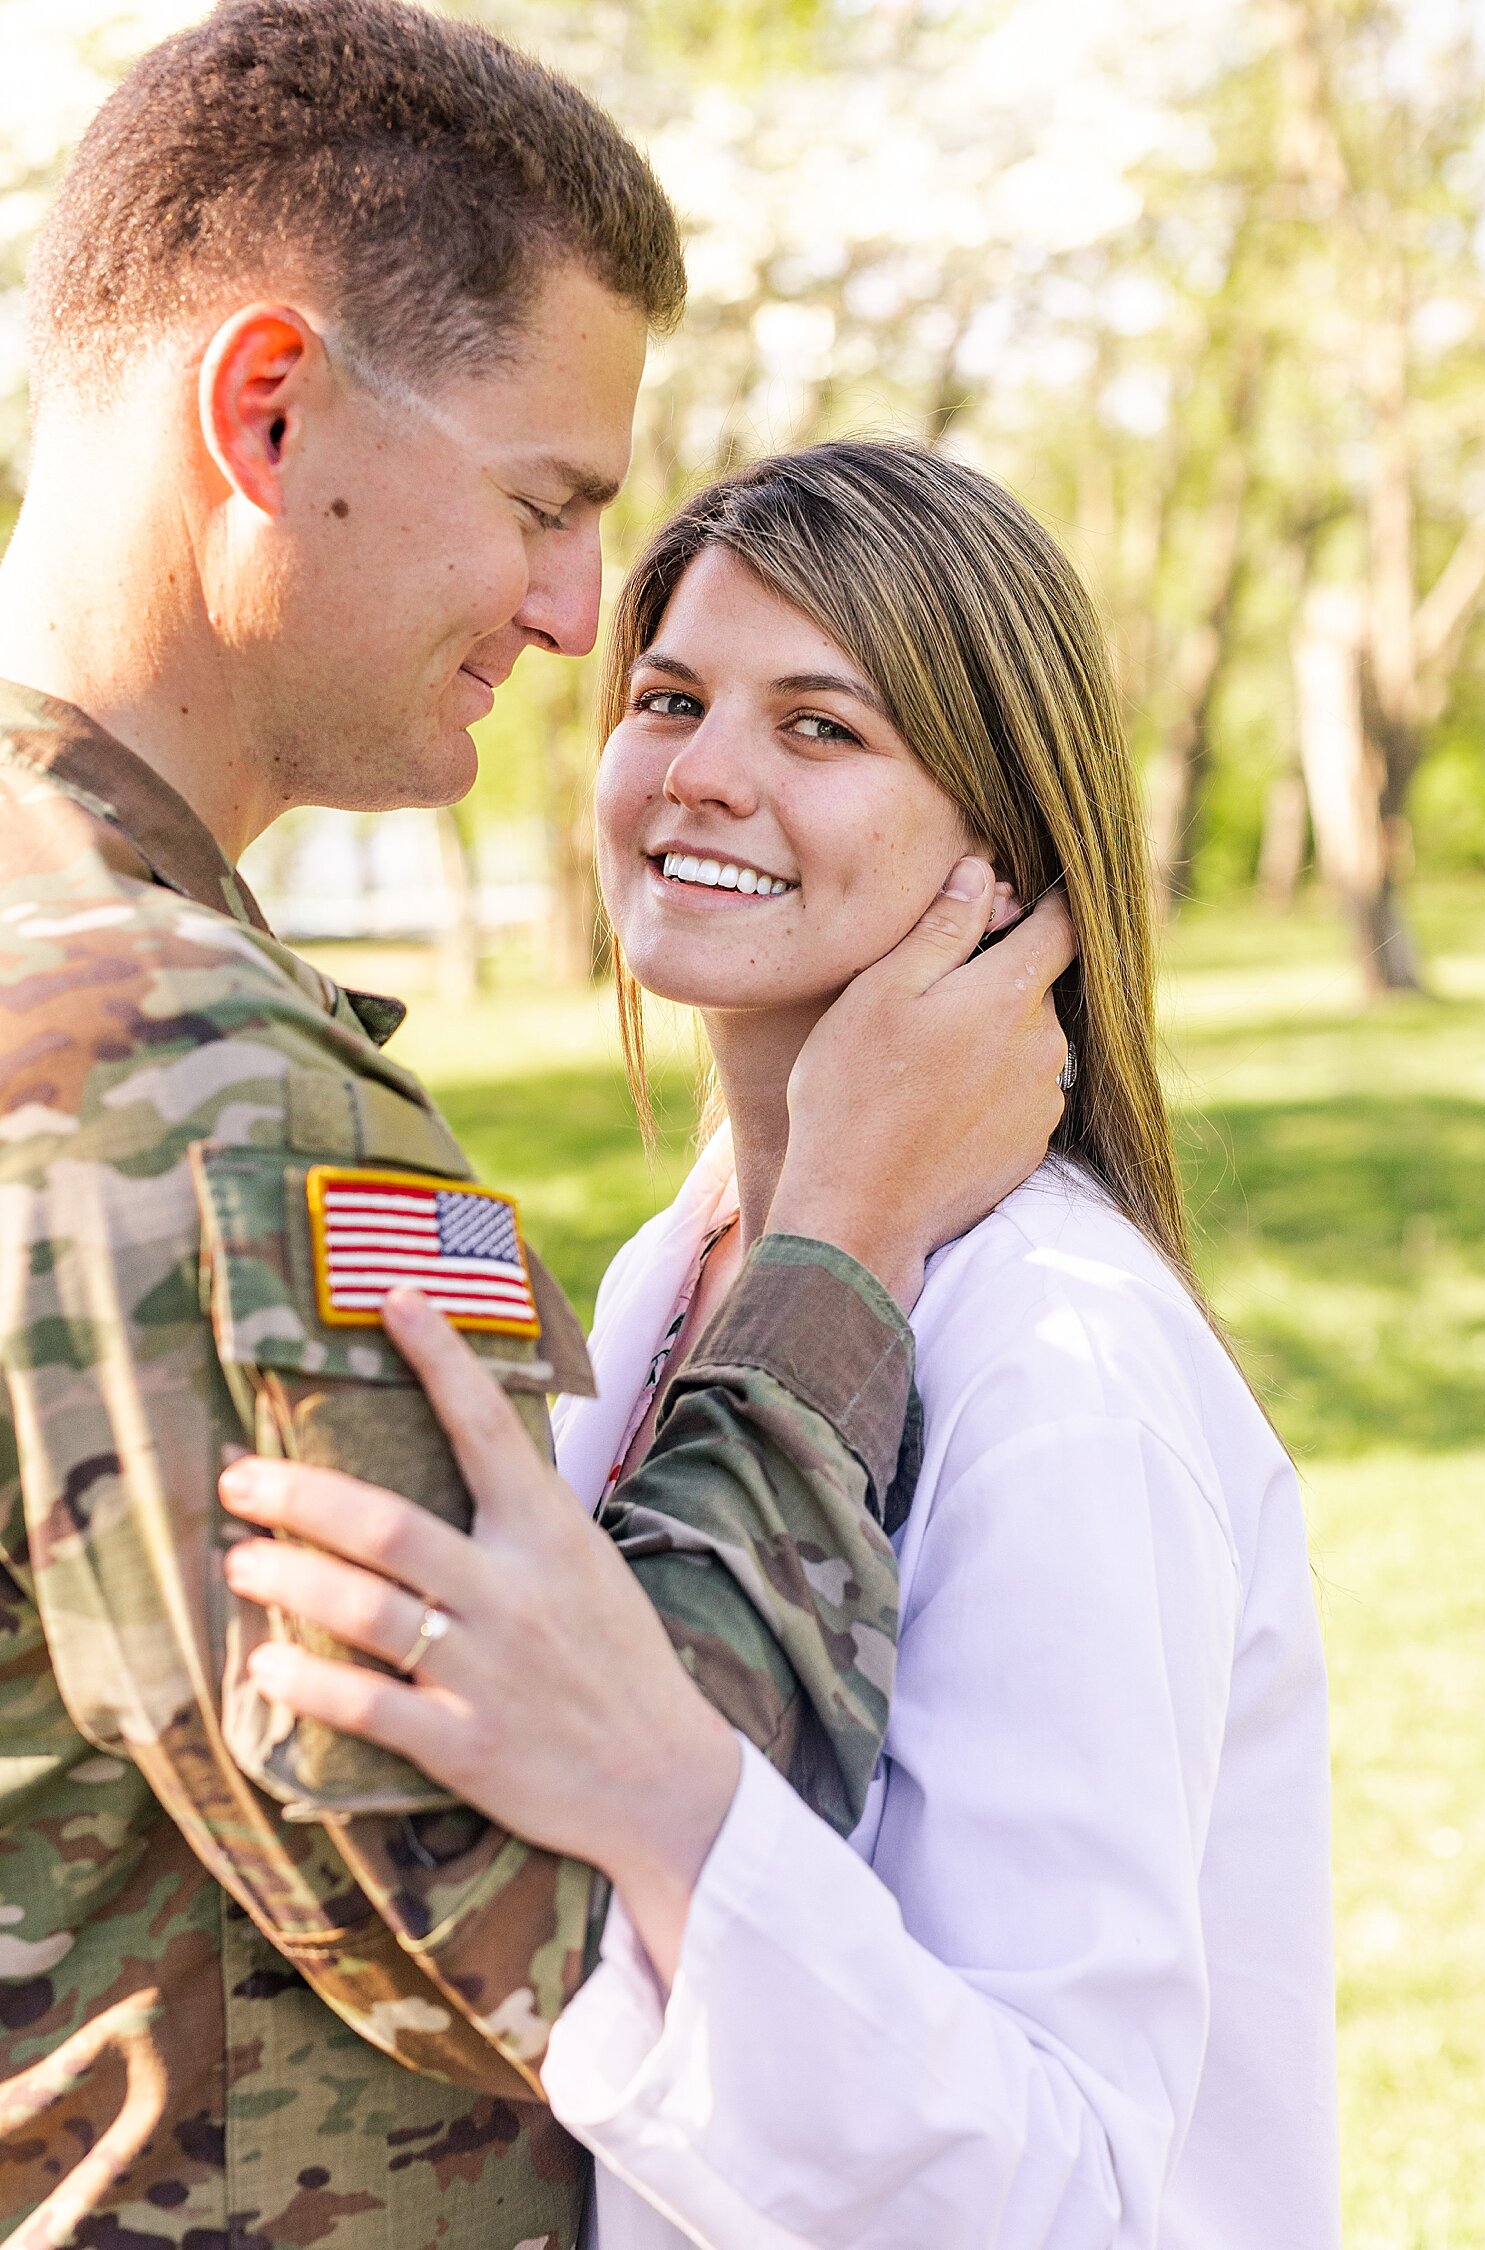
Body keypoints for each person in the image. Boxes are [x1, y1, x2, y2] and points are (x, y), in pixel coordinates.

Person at [0, 11, 1074, 2250]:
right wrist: (845, 1249)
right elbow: (569, 1919)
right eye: (546, 503)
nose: (579, 613)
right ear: (268, 409)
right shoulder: (170, 1068)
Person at [226, 442, 1341, 2250]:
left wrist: (663, 1797)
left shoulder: (1062, 1365)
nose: (702, 776)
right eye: (667, 698)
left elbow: (1057, 2181)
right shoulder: (688, 1265)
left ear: (1007, 854)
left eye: (822, 728)